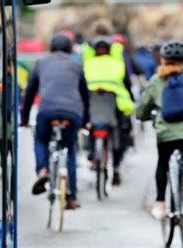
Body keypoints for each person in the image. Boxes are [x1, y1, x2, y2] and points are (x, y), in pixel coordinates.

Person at [136, 40, 183, 220]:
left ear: (163, 59)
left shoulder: (156, 80)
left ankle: (161, 204)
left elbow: (143, 108)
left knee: (163, 163)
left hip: (167, 133)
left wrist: (142, 116)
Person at [20, 34, 90, 210]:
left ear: (51, 47)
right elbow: (85, 95)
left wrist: (24, 119)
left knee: (41, 139)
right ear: (70, 48)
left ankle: (43, 170)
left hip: (47, 111)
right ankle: (71, 197)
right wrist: (85, 121)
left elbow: (30, 93)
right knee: (70, 148)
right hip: (72, 113)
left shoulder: (41, 63)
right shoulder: (77, 64)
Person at [82, 35, 135, 186]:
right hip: (114, 104)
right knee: (119, 131)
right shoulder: (117, 63)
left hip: (92, 104)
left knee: (88, 126)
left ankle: (91, 152)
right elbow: (127, 83)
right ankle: (116, 168)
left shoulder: (87, 63)